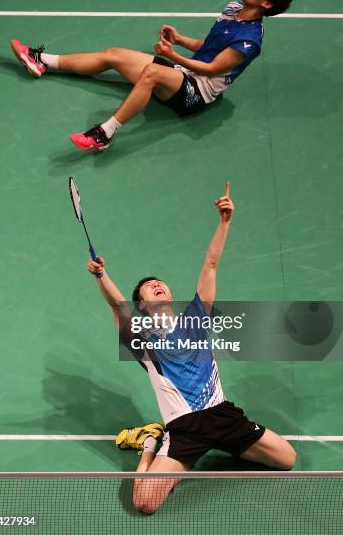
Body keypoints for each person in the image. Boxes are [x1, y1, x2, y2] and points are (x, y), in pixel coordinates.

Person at [86, 183, 297, 514]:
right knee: (144, 504)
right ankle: (150, 443)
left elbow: (211, 264)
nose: (156, 285)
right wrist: (102, 276)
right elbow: (116, 307)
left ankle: (222, 447)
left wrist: (225, 222)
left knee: (287, 459)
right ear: (141, 306)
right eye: (147, 289)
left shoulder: (196, 318)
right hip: (184, 430)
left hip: (224, 417)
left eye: (160, 284)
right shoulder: (143, 340)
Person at [10, 0, 293, 151]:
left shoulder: (249, 41)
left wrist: (170, 55)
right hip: (183, 72)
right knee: (114, 54)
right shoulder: (235, 9)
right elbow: (208, 48)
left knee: (152, 74)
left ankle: (105, 133)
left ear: (267, 4)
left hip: (197, 92)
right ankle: (41, 60)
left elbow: (211, 68)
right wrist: (181, 40)